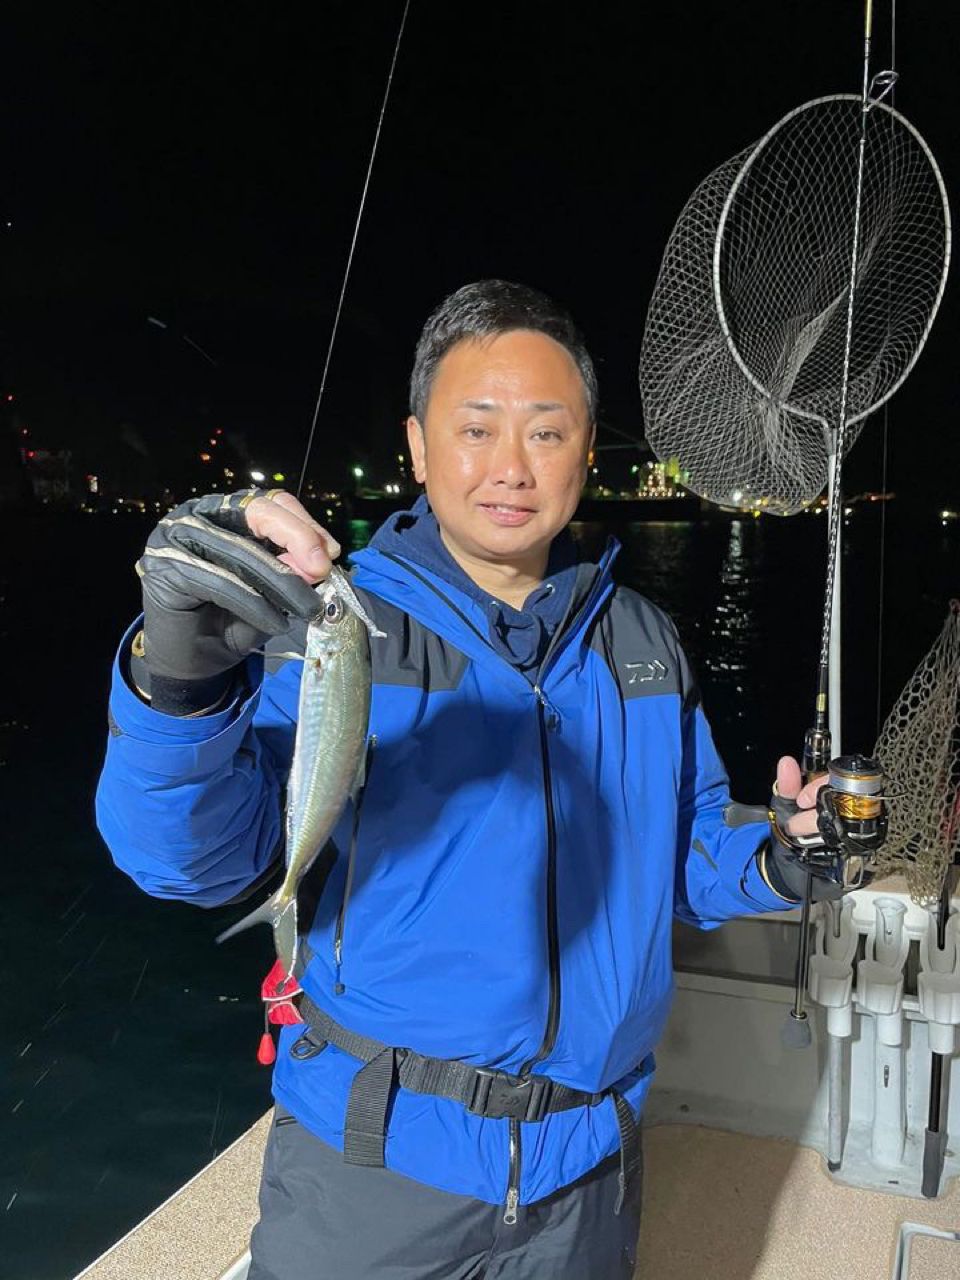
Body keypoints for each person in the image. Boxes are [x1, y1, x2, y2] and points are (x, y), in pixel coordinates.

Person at [96, 280, 844, 1280]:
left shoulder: (644, 643)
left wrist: (782, 857)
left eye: (546, 431)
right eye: (475, 427)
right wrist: (176, 680)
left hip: (588, 1174)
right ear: (416, 445)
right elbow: (188, 860)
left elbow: (682, 853)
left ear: (588, 449)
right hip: (373, 1170)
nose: (509, 467)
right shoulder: (340, 628)